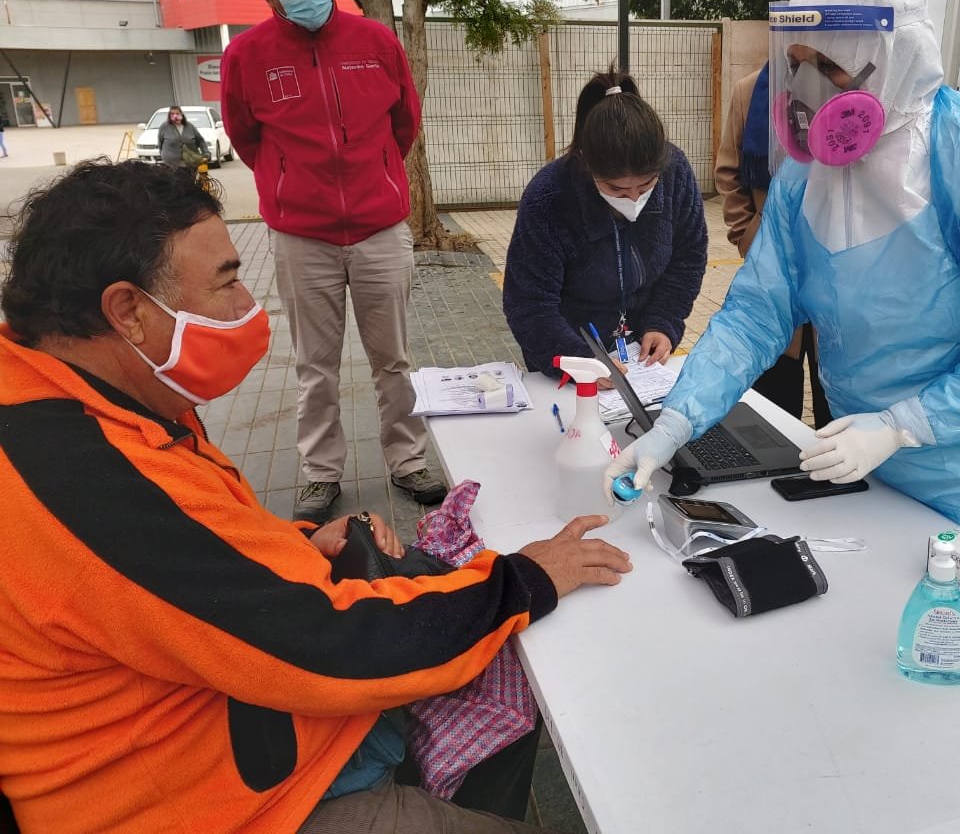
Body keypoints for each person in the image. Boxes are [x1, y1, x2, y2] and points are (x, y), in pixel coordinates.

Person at [0, 159, 632, 834]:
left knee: (487, 673)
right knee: (494, 646)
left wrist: (297, 543)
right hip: (212, 801)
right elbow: (329, 641)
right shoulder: (74, 479)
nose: (249, 304)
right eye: (228, 282)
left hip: (227, 723)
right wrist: (524, 578)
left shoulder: (79, 398)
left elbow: (188, 565)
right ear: (128, 311)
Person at [606, 0, 960, 551]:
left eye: (829, 66)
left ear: (896, 57)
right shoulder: (806, 175)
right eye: (799, 63)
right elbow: (757, 312)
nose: (809, 88)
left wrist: (903, 426)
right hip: (866, 459)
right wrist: (676, 420)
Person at [221, 0, 447, 521]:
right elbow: (246, 138)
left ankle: (408, 459)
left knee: (393, 359)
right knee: (314, 366)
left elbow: (405, 125)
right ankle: (320, 473)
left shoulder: (375, 42)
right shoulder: (246, 56)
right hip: (302, 238)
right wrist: (291, 183)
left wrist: (375, 181)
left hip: (379, 231)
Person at [502, 67, 708, 377]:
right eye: (616, 189)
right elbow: (529, 304)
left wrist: (664, 322)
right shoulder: (548, 198)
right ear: (586, 163)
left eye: (646, 185)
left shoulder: (675, 172)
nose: (633, 198)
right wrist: (578, 361)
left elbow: (688, 259)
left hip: (641, 357)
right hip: (571, 349)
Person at [716, 62, 831, 427]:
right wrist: (749, 234)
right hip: (774, 267)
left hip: (838, 267)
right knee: (774, 401)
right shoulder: (751, 90)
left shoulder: (852, 90)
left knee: (837, 399)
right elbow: (729, 173)